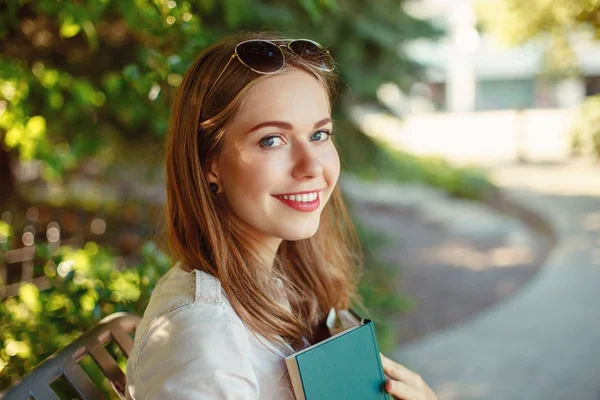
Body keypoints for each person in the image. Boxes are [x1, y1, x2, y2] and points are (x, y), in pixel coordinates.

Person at [125, 31, 437, 400]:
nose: (311, 166)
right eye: (272, 139)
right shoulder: (203, 340)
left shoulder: (281, 279)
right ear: (210, 165)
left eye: (320, 134)